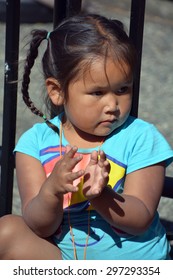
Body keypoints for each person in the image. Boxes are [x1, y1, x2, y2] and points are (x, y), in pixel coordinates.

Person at [0, 13, 173, 260]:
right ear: (57, 91)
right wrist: (52, 191)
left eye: (123, 89)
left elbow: (141, 218)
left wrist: (101, 195)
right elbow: (40, 226)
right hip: (69, 261)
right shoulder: (35, 143)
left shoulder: (141, 137)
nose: (112, 104)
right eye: (97, 92)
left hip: (136, 266)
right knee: (7, 230)